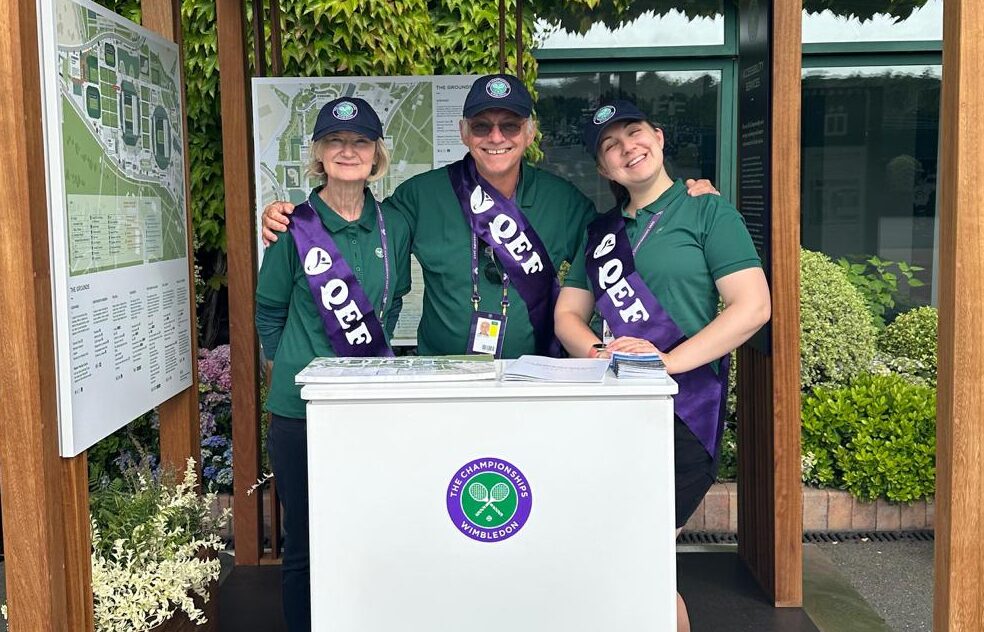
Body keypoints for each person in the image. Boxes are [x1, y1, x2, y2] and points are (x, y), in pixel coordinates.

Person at [261, 74, 720, 359]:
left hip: (534, 376)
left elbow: (630, 237)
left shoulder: (565, 202)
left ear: (529, 133)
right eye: (482, 125)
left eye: (510, 125)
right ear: (464, 133)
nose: (495, 136)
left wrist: (680, 196)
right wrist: (290, 218)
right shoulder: (419, 196)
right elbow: (354, 228)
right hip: (443, 378)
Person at [554, 100, 771, 632]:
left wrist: (668, 361)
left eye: (634, 133)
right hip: (612, 411)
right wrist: (595, 351)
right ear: (604, 168)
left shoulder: (708, 211)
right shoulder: (600, 232)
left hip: (684, 412)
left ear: (659, 136)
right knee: (622, 550)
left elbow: (752, 307)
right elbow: (567, 313)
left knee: (642, 553)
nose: (628, 147)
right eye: (611, 145)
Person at [254, 97, 411, 632]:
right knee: (305, 542)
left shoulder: (393, 225)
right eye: (336, 142)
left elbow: (392, 304)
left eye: (360, 142)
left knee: (369, 532)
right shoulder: (291, 227)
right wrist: (293, 368)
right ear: (319, 154)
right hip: (303, 415)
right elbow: (269, 312)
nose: (349, 151)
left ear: (376, 155)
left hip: (370, 407)